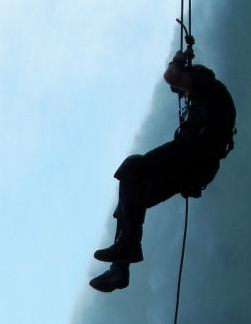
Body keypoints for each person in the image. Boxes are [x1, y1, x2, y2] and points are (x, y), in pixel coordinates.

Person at [90, 49, 236, 293]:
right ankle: (120, 270)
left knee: (132, 168)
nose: (181, 94)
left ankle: (127, 248)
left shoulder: (206, 86)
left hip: (192, 155)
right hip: (197, 166)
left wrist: (178, 59)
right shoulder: (210, 99)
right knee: (133, 199)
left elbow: (172, 77)